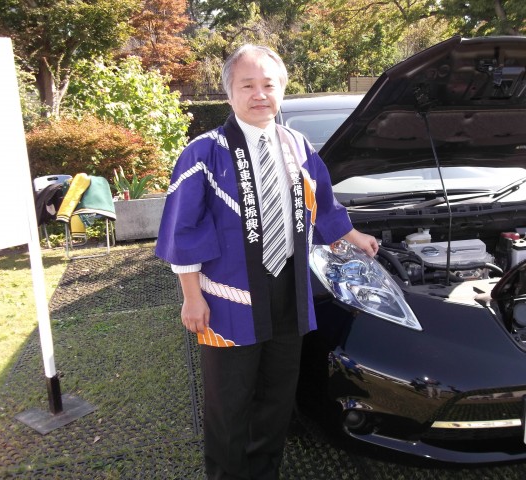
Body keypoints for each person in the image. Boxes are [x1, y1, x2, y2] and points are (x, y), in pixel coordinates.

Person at [155, 44, 378, 480]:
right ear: (229, 93)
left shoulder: (297, 145)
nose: (259, 94)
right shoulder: (203, 152)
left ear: (282, 90)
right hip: (226, 298)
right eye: (247, 85)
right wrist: (191, 297)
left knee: (277, 399)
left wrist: (352, 236)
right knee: (229, 404)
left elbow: (323, 201)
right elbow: (184, 229)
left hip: (289, 290)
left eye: (268, 85)